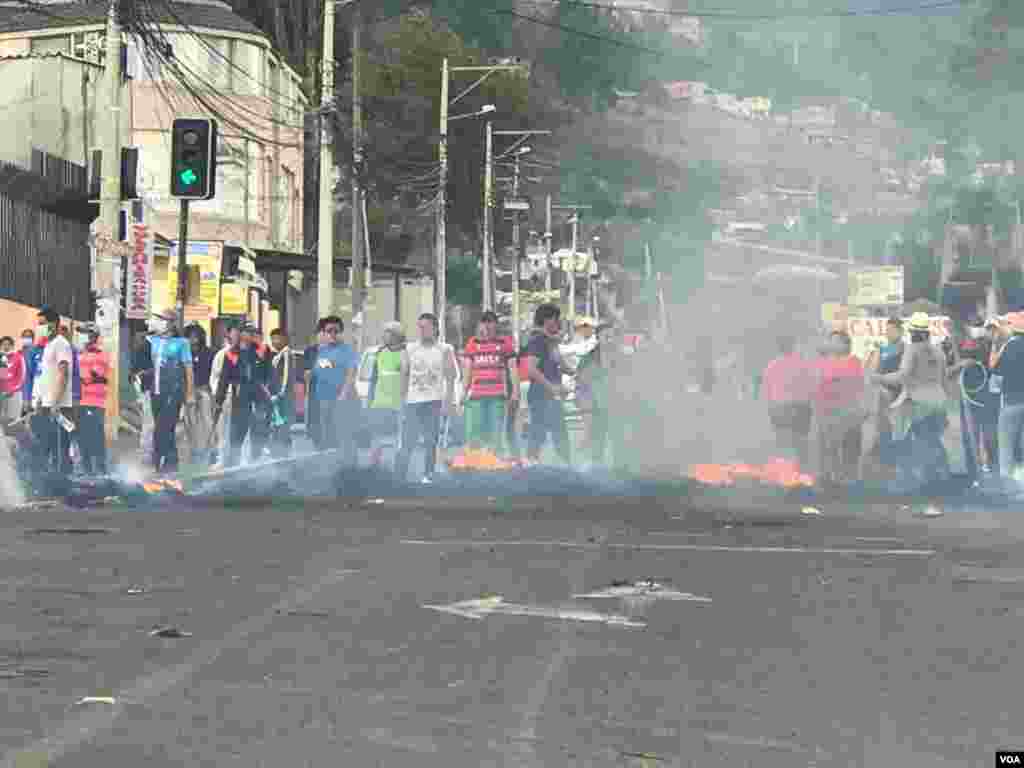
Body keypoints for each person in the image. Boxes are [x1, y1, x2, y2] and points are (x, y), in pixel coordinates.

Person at [872, 312, 950, 485]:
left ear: (914, 332)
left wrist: (880, 378)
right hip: (938, 401)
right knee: (932, 439)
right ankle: (940, 475)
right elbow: (945, 381)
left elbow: (902, 375)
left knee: (905, 438)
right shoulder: (938, 352)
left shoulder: (912, 350)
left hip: (918, 402)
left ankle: (910, 476)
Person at [395, 313, 458, 483]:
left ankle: (428, 475)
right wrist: (402, 401)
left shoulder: (445, 349)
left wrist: (448, 402)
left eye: (426, 327)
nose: (422, 330)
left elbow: (451, 378)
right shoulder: (409, 349)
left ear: (435, 329)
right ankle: (399, 477)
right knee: (407, 441)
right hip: (413, 402)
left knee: (431, 441)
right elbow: (404, 375)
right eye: (420, 327)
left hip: (434, 401)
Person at [143, 311, 195, 474]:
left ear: (171, 323)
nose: (158, 322)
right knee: (166, 429)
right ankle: (171, 465)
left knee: (162, 428)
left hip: (173, 390)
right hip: (156, 391)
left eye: (162, 319)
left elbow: (188, 368)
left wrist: (190, 393)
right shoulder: (152, 340)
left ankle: (158, 461)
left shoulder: (182, 343)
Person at [811, 331, 865, 485]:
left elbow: (851, 383)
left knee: (849, 449)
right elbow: (817, 384)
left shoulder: (853, 362)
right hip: (826, 411)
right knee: (827, 449)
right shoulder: (823, 362)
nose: (831, 344)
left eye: (835, 341)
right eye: (830, 341)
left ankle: (848, 480)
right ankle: (829, 479)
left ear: (846, 345)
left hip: (848, 412)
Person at [215, 323, 271, 467]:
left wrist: (270, 391)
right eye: (244, 333)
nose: (247, 336)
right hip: (240, 395)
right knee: (237, 429)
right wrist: (219, 400)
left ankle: (256, 458)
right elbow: (224, 379)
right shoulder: (231, 353)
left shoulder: (262, 350)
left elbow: (269, 372)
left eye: (250, 333)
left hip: (259, 394)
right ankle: (233, 460)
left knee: (259, 427)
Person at [462, 310, 518, 455]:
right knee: (476, 429)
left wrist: (515, 392)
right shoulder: (472, 343)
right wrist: (463, 392)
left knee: (496, 430)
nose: (487, 327)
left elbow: (513, 368)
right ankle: (475, 457)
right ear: (480, 325)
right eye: (484, 323)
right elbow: (467, 370)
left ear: (496, 325)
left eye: (490, 323)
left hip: (497, 395)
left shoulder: (505, 343)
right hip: (476, 395)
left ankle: (496, 457)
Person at [524, 303, 571, 464]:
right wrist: (552, 388)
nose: (559, 323)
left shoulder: (552, 342)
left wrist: (578, 373)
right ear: (547, 320)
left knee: (559, 431)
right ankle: (532, 462)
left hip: (552, 396)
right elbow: (531, 369)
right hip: (540, 396)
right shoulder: (538, 341)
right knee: (540, 431)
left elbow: (562, 366)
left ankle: (565, 463)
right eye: (556, 319)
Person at [309, 316, 360, 462]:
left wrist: (343, 394)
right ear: (324, 333)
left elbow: (351, 374)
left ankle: (349, 466)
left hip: (342, 400)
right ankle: (332, 466)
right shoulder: (322, 351)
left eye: (335, 331)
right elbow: (318, 372)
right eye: (329, 331)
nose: (332, 334)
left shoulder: (347, 351)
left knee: (344, 435)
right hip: (324, 399)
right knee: (327, 435)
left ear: (341, 332)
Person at [30, 307, 74, 477]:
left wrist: (56, 402)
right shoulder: (48, 345)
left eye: (43, 324)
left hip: (59, 406)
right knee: (47, 444)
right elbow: (46, 375)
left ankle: (64, 480)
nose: (40, 327)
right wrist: (40, 399)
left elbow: (63, 374)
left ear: (54, 324)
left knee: (60, 445)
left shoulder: (61, 344)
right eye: (38, 324)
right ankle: (52, 478)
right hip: (47, 403)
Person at [760, 336, 815, 466]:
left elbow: (766, 391)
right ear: (793, 346)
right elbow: (811, 385)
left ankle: (785, 468)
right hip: (800, 407)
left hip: (779, 408)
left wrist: (770, 408)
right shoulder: (803, 364)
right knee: (801, 442)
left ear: (778, 348)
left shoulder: (771, 366)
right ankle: (802, 465)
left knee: (782, 442)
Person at [575, 322, 620, 466]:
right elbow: (581, 386)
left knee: (620, 445)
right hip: (596, 409)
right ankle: (597, 470)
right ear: (598, 337)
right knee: (597, 446)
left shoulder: (622, 357)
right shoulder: (588, 359)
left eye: (612, 335)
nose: (610, 338)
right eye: (606, 335)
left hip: (618, 408)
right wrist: (584, 408)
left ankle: (621, 470)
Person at [366, 321, 406, 467]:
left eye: (387, 333)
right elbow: (374, 379)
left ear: (396, 336)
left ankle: (397, 469)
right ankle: (373, 467)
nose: (384, 336)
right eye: (384, 333)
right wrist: (369, 401)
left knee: (398, 440)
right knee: (376, 439)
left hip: (398, 405)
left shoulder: (405, 354)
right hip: (379, 404)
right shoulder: (379, 353)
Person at [992, 312, 1024, 480]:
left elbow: (997, 372)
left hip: (1011, 401)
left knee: (1006, 444)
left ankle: (1007, 481)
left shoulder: (1010, 346)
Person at [76, 324, 109, 475]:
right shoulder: (80, 354)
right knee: (82, 436)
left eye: (84, 333)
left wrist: (80, 378)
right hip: (80, 400)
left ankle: (101, 468)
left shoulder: (101, 354)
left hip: (95, 401)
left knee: (96, 435)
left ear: (93, 336)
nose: (81, 336)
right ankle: (87, 468)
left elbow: (94, 375)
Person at [184, 324, 215, 463]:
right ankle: (194, 450)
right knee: (190, 422)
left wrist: (208, 389)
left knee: (207, 421)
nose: (193, 339)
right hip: (188, 392)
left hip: (204, 390)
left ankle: (211, 449)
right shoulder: (183, 353)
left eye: (195, 336)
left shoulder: (209, 353)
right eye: (190, 337)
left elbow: (213, 373)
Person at [268, 328, 294, 458]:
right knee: (277, 424)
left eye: (277, 338)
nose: (274, 341)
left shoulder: (286, 353)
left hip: (283, 397)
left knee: (283, 424)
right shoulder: (278, 354)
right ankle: (278, 451)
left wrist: (280, 393)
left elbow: (286, 375)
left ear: (284, 339)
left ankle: (283, 452)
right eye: (272, 339)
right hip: (277, 396)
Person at [0, 335, 26, 425]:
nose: (6, 347)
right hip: (2, 393)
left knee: (12, 420)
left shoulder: (18, 357)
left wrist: (13, 389)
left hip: (14, 393)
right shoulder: (1, 357)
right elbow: (2, 376)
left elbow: (22, 376)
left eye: (8, 344)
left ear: (12, 346)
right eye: (3, 344)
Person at [19, 329, 35, 416]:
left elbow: (35, 371)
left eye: (29, 337)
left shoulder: (36, 352)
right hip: (18, 391)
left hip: (31, 390)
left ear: (33, 338)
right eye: (25, 336)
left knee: (29, 416)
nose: (26, 339)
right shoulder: (18, 353)